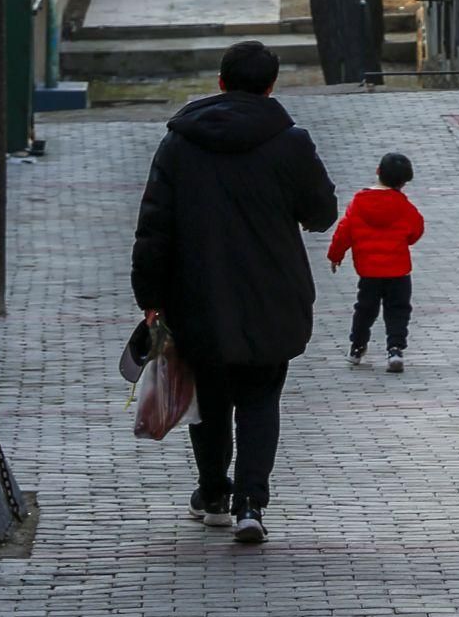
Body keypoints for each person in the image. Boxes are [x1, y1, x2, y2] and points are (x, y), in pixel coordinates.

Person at [130, 37, 337, 547]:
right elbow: (322, 214)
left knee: (211, 398)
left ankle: (214, 494)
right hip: (273, 295)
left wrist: (149, 296)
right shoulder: (290, 142)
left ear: (221, 83)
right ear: (270, 86)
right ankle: (251, 503)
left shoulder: (180, 143)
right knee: (262, 398)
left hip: (196, 295)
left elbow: (153, 226)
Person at [328, 151, 425, 373]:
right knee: (398, 310)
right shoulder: (403, 205)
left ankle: (357, 346)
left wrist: (336, 254)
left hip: (369, 271)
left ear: (378, 171)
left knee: (365, 309)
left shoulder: (359, 203)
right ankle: (395, 349)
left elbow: (345, 231)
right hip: (398, 270)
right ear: (403, 182)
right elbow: (416, 229)